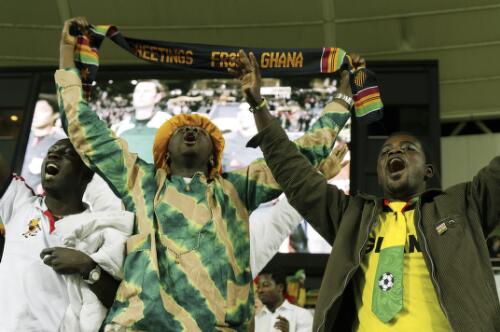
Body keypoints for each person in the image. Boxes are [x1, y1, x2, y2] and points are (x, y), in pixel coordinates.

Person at [57, 17, 351, 331]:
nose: (190, 130)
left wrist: (345, 96)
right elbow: (82, 126)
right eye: (180, 129)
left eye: (200, 130)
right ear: (163, 151)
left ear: (215, 152)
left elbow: (300, 153)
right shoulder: (140, 181)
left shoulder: (238, 189)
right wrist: (66, 53)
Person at [234, 50, 500, 331]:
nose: (393, 152)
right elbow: (294, 174)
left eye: (408, 149)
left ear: (428, 171)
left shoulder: (464, 205)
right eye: (385, 152)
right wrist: (258, 105)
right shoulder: (351, 217)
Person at [0, 139, 133, 332]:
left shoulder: (101, 230)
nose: (53, 156)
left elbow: (122, 303)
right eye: (51, 152)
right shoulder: (20, 204)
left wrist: (87, 266)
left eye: (67, 155)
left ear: (85, 175)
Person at [111, 79, 171, 163]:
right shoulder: (119, 127)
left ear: (158, 97)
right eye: (137, 91)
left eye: (146, 91)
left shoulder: (168, 125)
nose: (140, 95)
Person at [21, 98, 66, 193]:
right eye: (34, 109)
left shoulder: (60, 142)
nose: (35, 114)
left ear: (55, 115)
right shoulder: (22, 135)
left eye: (42, 111)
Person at [255, 260, 313, 332]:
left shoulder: (302, 315)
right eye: (258, 287)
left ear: (280, 287)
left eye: (266, 285)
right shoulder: (256, 319)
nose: (260, 290)